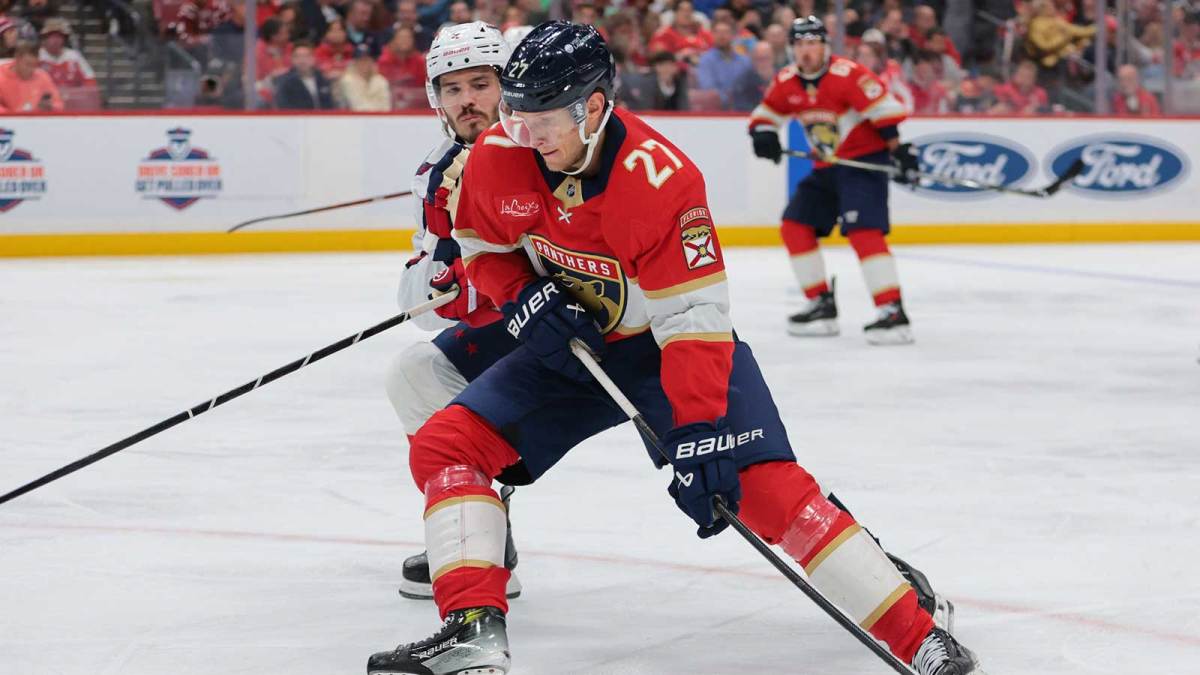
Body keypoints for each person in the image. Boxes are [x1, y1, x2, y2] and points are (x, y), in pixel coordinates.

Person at [366, 20, 979, 675]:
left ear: (592, 107)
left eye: (542, 119)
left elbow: (694, 319)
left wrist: (698, 431)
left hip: (663, 351)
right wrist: (522, 299)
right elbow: (486, 250)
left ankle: (918, 634)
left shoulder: (660, 180)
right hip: (573, 357)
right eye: (517, 114)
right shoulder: (500, 150)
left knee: (765, 490)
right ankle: (473, 632)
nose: (524, 133)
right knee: (447, 444)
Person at [384, 19, 525, 605]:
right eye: (452, 88)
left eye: (479, 84)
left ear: (507, 84)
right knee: (414, 373)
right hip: (504, 332)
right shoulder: (439, 172)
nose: (467, 100)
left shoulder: (546, 142)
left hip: (578, 327)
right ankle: (483, 538)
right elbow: (425, 304)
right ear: (435, 98)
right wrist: (447, 272)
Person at [748, 16, 916, 344]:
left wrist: (900, 152)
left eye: (812, 43)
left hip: (864, 163)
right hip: (827, 168)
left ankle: (892, 311)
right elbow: (766, 115)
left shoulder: (848, 74)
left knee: (863, 231)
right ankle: (820, 303)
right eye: (799, 44)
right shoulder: (787, 80)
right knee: (795, 224)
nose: (806, 50)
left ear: (825, 46)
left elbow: (884, 113)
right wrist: (764, 134)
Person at [695, 17, 753, 110]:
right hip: (716, 112)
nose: (722, 36)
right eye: (718, 32)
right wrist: (729, 98)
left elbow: (751, 87)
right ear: (712, 35)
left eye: (726, 32)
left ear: (733, 35)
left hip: (744, 110)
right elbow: (708, 90)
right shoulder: (706, 61)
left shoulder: (745, 61)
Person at [37, 17, 97, 91]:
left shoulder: (73, 56)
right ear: (45, 38)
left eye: (59, 36)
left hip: (71, 99)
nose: (55, 40)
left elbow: (89, 79)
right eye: (52, 36)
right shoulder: (36, 56)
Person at [0, 41, 63, 111]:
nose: (31, 70)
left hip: (37, 120)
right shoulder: (1, 77)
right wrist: (14, 117)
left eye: (34, 65)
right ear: (17, 59)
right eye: (28, 64)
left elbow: (59, 104)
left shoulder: (42, 76)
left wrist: (50, 107)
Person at [274, 40, 336, 108]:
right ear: (292, 59)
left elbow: (332, 105)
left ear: (313, 58)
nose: (302, 60)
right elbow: (284, 107)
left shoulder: (323, 79)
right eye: (297, 56)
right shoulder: (284, 82)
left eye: (306, 56)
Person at [338, 42, 390, 110]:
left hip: (380, 118)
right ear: (354, 62)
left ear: (372, 61)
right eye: (360, 60)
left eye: (366, 60)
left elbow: (386, 106)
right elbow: (357, 106)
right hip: (353, 119)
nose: (363, 63)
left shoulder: (381, 80)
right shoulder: (347, 80)